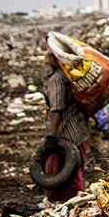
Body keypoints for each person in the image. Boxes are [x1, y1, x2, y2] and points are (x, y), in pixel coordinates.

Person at [41, 49, 90, 202]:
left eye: (50, 57)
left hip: (66, 135)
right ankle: (75, 201)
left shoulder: (57, 79)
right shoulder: (71, 76)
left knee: (61, 173)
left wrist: (51, 136)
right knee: (75, 173)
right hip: (80, 131)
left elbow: (57, 108)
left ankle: (67, 204)